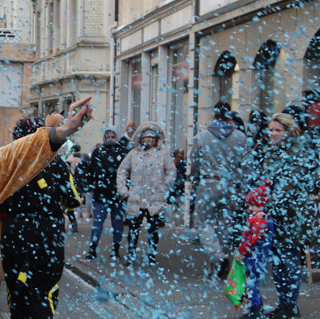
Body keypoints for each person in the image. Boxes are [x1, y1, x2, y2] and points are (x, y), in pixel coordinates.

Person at [0, 118, 81, 319]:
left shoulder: (9, 164)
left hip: (16, 230)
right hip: (48, 231)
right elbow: (73, 199)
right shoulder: (56, 165)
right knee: (44, 286)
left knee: (17, 285)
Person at [246, 113, 318, 319]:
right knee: (278, 259)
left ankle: (290, 304)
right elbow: (266, 182)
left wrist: (266, 208)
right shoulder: (272, 152)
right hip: (276, 214)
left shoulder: (297, 154)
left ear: (287, 132)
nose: (273, 134)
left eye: (278, 130)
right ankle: (283, 302)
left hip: (292, 216)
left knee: (288, 259)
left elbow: (286, 188)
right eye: (271, 130)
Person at [189, 102, 252, 277]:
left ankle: (218, 256)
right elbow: (247, 165)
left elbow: (195, 161)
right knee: (225, 224)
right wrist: (244, 187)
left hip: (209, 183)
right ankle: (222, 260)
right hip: (230, 185)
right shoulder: (240, 137)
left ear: (214, 116)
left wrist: (194, 178)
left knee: (203, 223)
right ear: (229, 117)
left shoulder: (202, 136)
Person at [117, 122, 176, 266]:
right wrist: (124, 191)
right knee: (133, 230)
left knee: (153, 230)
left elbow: (172, 171)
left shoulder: (163, 154)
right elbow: (122, 171)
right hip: (136, 198)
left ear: (157, 139)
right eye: (146, 138)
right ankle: (130, 255)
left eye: (152, 138)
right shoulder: (133, 153)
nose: (149, 141)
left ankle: (152, 256)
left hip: (155, 199)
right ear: (141, 138)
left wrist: (164, 187)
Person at [78, 127, 128, 259]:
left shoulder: (122, 152)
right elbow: (89, 168)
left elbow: (127, 171)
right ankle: (92, 249)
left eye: (113, 137)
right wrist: (89, 183)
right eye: (108, 137)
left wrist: (125, 188)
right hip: (101, 194)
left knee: (117, 223)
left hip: (117, 194)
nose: (110, 139)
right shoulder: (98, 151)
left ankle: (115, 250)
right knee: (98, 222)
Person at [235, 185, 275, 319]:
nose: (250, 208)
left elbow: (252, 239)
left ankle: (255, 309)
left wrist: (242, 251)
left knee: (251, 283)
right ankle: (256, 306)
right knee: (251, 282)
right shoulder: (262, 218)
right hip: (257, 256)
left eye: (253, 205)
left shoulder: (260, 220)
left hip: (254, 257)